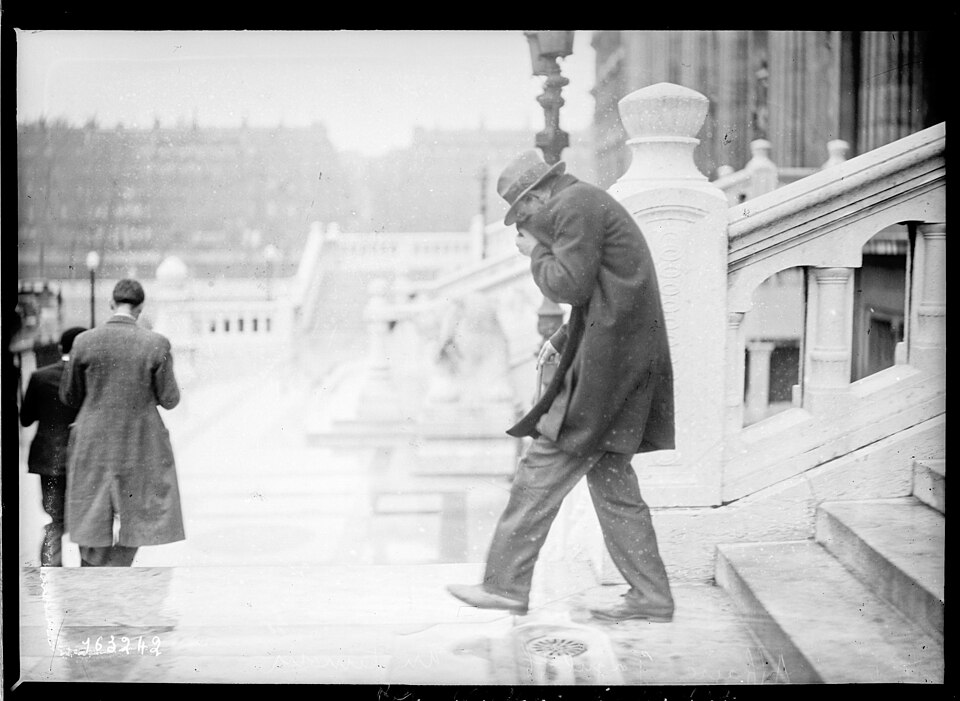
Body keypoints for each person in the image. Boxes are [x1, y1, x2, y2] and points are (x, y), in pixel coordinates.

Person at [447, 150, 676, 622]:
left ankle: (506, 586)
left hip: (607, 372)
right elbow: (601, 293)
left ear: (535, 196)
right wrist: (561, 337)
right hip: (620, 361)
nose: (523, 227)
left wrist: (538, 252)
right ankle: (651, 595)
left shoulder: (572, 208)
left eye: (522, 216)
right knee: (614, 486)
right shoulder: (584, 203)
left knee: (539, 471)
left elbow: (569, 286)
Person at [60, 279, 185, 567]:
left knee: (91, 510)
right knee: (140, 510)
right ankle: (120, 568)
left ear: (111, 304)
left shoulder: (83, 342)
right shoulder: (156, 343)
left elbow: (69, 395)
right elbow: (170, 399)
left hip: (94, 441)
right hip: (140, 441)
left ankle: (94, 571)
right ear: (140, 308)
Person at [19, 326, 87, 566]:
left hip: (48, 458)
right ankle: (88, 575)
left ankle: (51, 571)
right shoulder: (89, 377)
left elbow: (26, 418)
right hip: (82, 458)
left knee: (55, 517)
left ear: (60, 348)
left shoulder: (40, 376)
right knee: (84, 517)